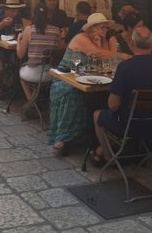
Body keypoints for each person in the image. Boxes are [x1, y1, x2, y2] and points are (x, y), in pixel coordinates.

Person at [92, 25, 152, 165]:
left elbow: (112, 105)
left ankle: (108, 156)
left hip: (129, 126)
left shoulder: (125, 67)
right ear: (151, 44)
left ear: (133, 44)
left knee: (97, 115)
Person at [49, 13, 126, 154]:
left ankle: (95, 136)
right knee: (76, 93)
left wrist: (108, 44)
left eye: (106, 27)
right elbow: (100, 54)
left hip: (88, 79)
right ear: (93, 28)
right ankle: (64, 138)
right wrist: (128, 57)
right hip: (65, 78)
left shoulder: (103, 41)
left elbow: (109, 59)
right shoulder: (81, 38)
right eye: (103, 27)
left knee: (102, 95)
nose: (106, 30)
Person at [16, 2, 64, 119]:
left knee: (21, 73)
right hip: (51, 74)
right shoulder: (56, 30)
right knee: (36, 80)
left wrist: (18, 41)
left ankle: (31, 102)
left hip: (33, 73)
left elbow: (20, 55)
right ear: (48, 15)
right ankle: (36, 99)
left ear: (33, 15)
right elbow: (60, 49)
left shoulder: (28, 30)